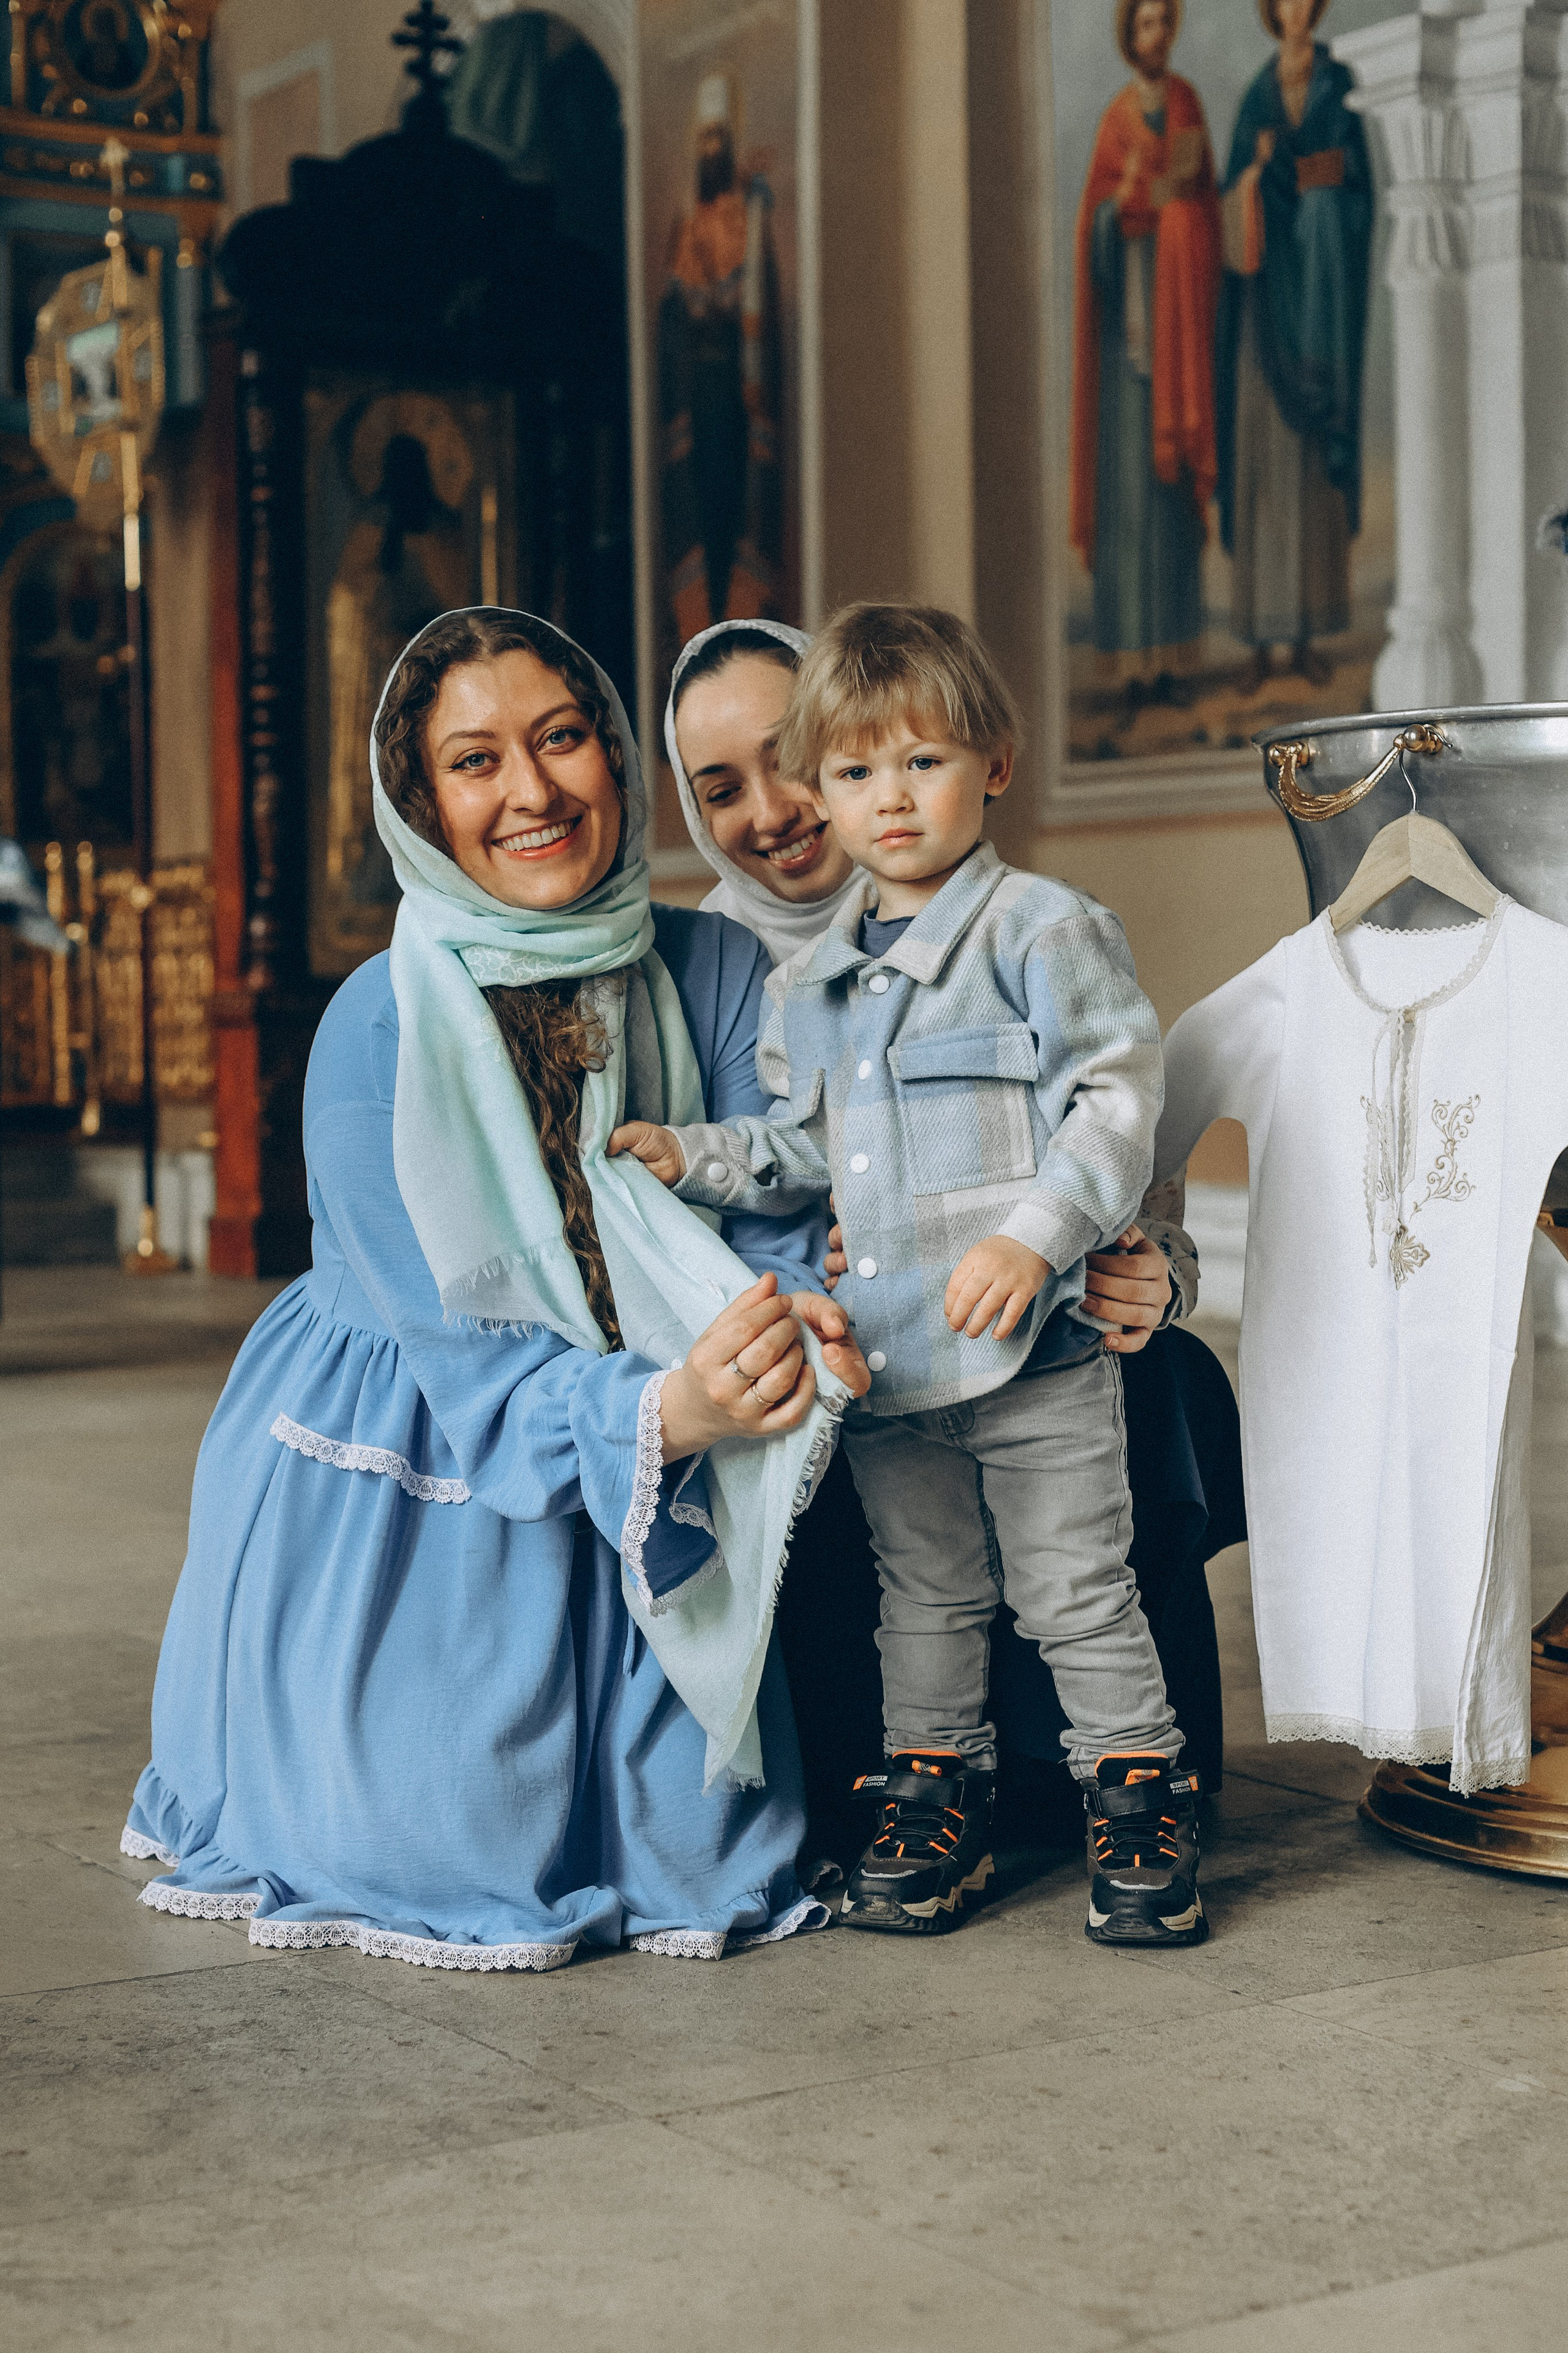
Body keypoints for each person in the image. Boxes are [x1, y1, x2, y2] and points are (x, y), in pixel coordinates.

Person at [120, 605, 872, 1968]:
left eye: (563, 738)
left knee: (709, 1826)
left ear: (612, 759)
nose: (532, 792)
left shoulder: (706, 962)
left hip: (669, 1406)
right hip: (426, 1442)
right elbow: (462, 1350)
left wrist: (767, 1327)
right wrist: (671, 1409)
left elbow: (768, 1197)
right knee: (442, 1830)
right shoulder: (377, 1025)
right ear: (419, 805)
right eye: (476, 763)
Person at [621, 603, 1210, 1948]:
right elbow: (797, 1143)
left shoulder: (1042, 930)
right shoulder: (805, 986)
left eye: (921, 764)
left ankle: (1136, 1786)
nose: (885, 800)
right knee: (924, 1596)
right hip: (887, 1363)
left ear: (993, 763)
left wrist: (1042, 1237)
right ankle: (932, 1792)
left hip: (1034, 1355)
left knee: (1073, 1584)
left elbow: (1115, 1102)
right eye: (854, 773)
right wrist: (691, 1155)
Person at [1069, 0, 1221, 712]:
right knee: (1130, 499)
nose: (1157, 36)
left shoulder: (1187, 101)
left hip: (1180, 335)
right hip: (1130, 344)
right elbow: (1096, 226)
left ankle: (1173, 659)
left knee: (1168, 509)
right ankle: (1130, 665)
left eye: (1165, 22)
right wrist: (1124, 202)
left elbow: (1205, 204)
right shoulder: (1116, 121)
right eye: (1145, 25)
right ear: (1129, 39)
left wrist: (1175, 208)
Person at [1216, 1, 1372, 689]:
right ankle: (1259, 637)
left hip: (1322, 310)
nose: (1296, 8)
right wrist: (1258, 180)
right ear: (1271, 11)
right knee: (1261, 468)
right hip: (1263, 311)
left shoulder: (1339, 83)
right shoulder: (1257, 94)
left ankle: (1305, 631)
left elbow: (1355, 182)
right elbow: (1233, 195)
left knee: (1307, 476)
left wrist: (1307, 187)